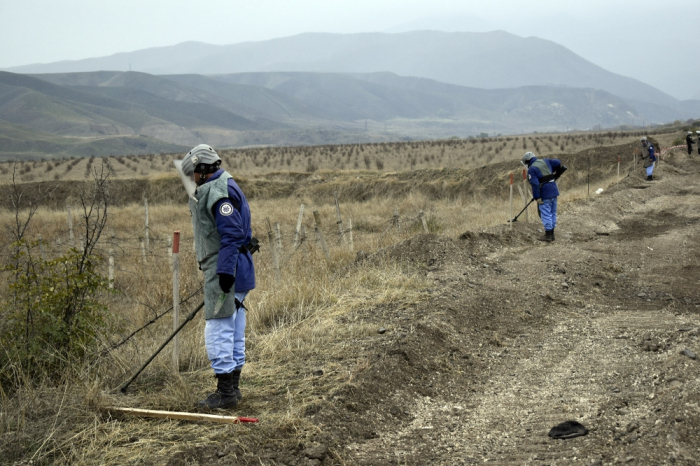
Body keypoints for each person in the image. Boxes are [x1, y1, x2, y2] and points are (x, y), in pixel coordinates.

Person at [178, 144, 256, 410]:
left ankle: (225, 394)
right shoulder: (227, 183)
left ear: (201, 170)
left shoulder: (216, 191)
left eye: (192, 174)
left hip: (226, 269)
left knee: (218, 329)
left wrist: (223, 272)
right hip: (237, 266)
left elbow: (232, 233)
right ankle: (232, 389)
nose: (191, 179)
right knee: (234, 329)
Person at [522, 151, 567, 242]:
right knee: (553, 213)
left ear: (527, 161)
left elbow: (535, 183)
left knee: (546, 214)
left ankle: (548, 236)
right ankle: (552, 234)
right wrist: (557, 171)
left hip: (544, 193)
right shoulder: (546, 161)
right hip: (554, 191)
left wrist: (536, 197)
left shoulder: (532, 169)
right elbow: (558, 162)